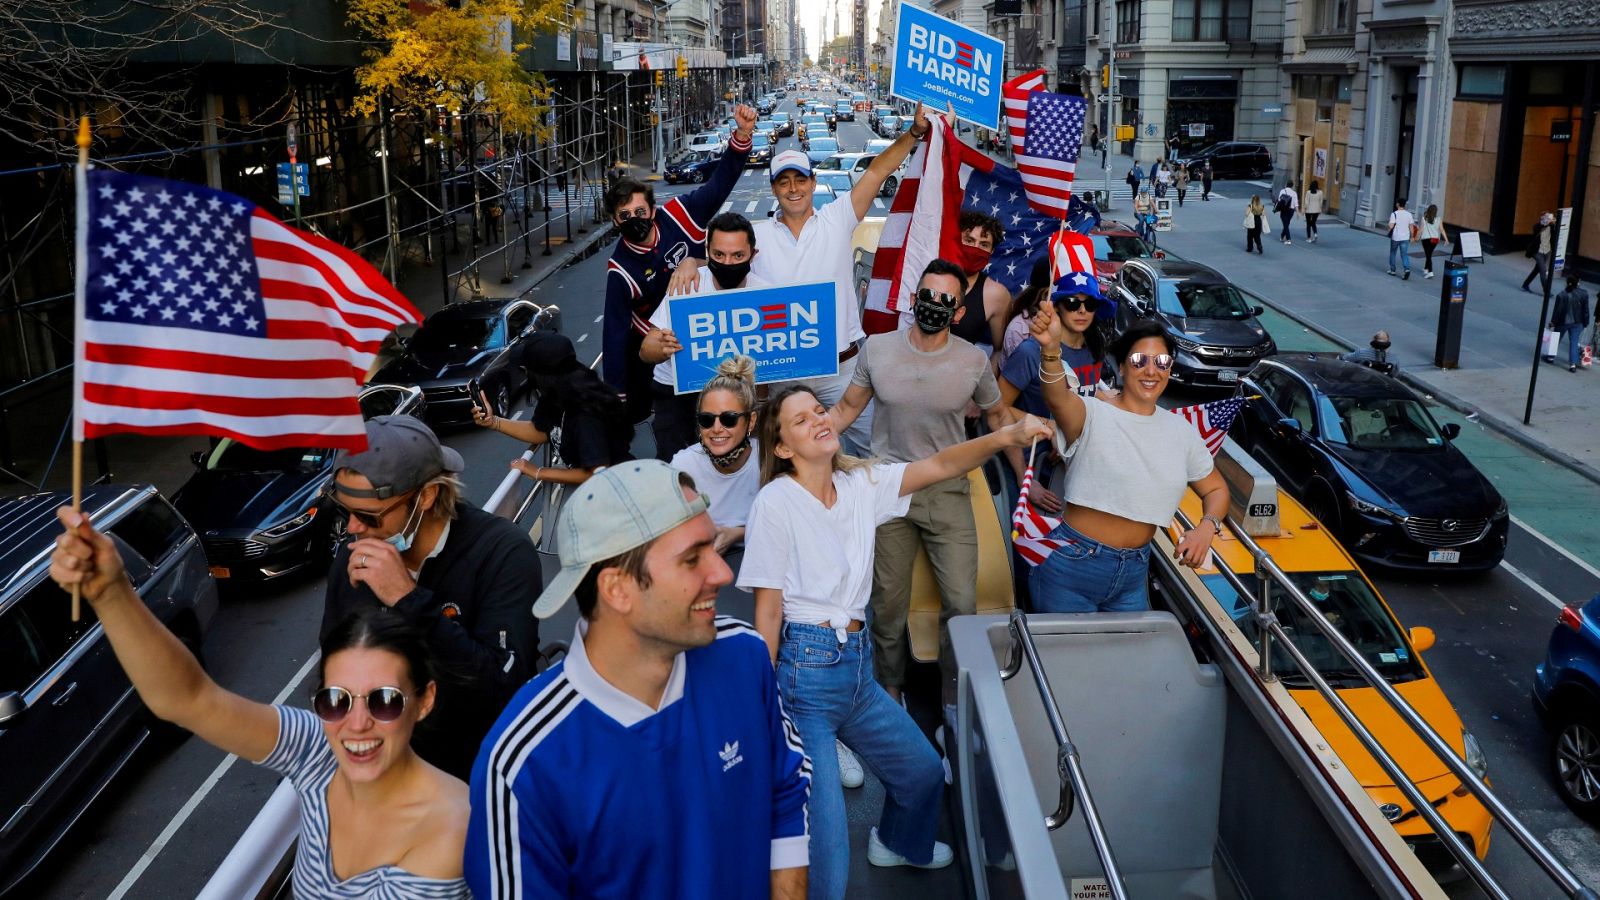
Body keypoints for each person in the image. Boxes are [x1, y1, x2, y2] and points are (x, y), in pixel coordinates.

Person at [51, 515, 471, 898]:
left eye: (383, 701)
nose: (355, 724)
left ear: (424, 701)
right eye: (336, 701)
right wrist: (110, 593)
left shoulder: (449, 830)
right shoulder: (320, 753)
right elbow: (189, 699)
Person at [740, 383, 1051, 899]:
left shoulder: (863, 483)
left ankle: (897, 841)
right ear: (782, 449)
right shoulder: (775, 503)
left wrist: (1007, 436)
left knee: (924, 773)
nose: (819, 419)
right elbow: (768, 611)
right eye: (801, 420)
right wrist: (762, 704)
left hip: (858, 672)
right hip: (804, 675)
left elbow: (943, 464)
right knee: (828, 849)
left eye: (820, 410)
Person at [466, 461, 812, 899]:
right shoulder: (523, 765)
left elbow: (785, 788)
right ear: (617, 590)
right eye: (692, 559)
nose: (723, 574)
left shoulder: (744, 655)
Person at [829, 259, 1015, 706]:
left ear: (957, 311)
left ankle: (956, 696)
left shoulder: (972, 361)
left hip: (949, 489)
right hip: (888, 488)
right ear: (913, 300)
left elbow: (998, 416)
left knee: (961, 603)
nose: (933, 305)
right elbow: (845, 411)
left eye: (945, 300)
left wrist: (1025, 470)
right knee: (888, 605)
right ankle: (890, 690)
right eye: (926, 296)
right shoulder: (877, 349)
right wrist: (798, 445)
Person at [322, 416, 541, 780]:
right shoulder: (354, 557)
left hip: (476, 774)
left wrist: (408, 599)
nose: (352, 530)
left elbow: (503, 687)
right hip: (384, 771)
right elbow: (334, 667)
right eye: (345, 513)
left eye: (367, 517)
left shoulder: (501, 552)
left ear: (426, 496)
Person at [751, 103, 931, 456]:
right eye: (783, 182)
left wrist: (913, 133)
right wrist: (689, 265)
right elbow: (719, 262)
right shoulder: (755, 237)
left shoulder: (837, 218)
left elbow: (877, 172)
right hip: (786, 373)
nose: (793, 189)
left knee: (870, 453)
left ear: (812, 182)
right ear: (773, 189)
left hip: (842, 368)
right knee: (782, 457)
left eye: (800, 180)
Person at [1026, 314, 1231, 611]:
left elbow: (1217, 490)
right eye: (1139, 360)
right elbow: (1057, 397)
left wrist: (1206, 528)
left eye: (1162, 362)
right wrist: (1050, 349)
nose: (1151, 370)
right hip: (1072, 566)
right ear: (1121, 367)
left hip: (1134, 572)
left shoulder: (1182, 433)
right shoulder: (1092, 412)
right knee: (1066, 657)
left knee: (1129, 657)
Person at [603, 104, 756, 423]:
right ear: (615, 222)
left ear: (653, 210)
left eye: (640, 212)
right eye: (625, 216)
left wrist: (742, 134)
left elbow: (721, 182)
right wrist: (615, 393)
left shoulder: (681, 213)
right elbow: (615, 335)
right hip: (666, 345)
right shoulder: (620, 270)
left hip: (714, 323)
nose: (635, 220)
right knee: (677, 421)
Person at [641, 212, 767, 460]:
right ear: (708, 252)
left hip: (736, 395)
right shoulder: (688, 284)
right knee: (675, 467)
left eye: (738, 255)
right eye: (719, 255)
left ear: (753, 254)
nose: (728, 262)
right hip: (678, 394)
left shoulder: (766, 294)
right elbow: (646, 350)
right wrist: (661, 346)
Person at [999, 272, 1111, 516]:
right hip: (1028, 462)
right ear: (1057, 307)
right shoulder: (1030, 352)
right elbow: (998, 409)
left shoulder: (1094, 349)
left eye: (1089, 304)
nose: (1082, 311)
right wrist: (1049, 428)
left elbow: (1087, 399)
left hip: (1074, 464)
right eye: (1072, 303)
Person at [475, 331, 633, 486]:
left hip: (617, 488)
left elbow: (597, 472)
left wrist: (538, 472)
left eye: (525, 369)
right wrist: (494, 422)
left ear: (541, 375)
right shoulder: (556, 396)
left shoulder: (584, 415)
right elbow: (541, 432)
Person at [670, 354, 762, 554]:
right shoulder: (683, 466)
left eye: (729, 419)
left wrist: (735, 534)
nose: (717, 428)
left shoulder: (769, 459)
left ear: (751, 421)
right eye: (707, 419)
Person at [950, 210, 1013, 354]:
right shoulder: (930, 278)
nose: (975, 249)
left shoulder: (996, 294)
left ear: (991, 251)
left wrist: (985, 376)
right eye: (969, 240)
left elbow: (1000, 351)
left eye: (984, 244)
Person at [1550, 276, 1592, 373]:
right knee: (1574, 342)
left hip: (1563, 322)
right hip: (1577, 323)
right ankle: (1572, 364)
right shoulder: (1583, 294)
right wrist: (1586, 323)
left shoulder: (1561, 295)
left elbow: (1557, 311)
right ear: (1578, 283)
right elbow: (1585, 310)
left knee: (1556, 338)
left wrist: (1553, 322)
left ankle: (1550, 357)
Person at [1523, 211, 1555, 295]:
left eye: (1548, 218)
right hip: (1537, 252)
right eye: (1544, 217)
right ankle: (1546, 291)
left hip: (1546, 251)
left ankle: (1525, 284)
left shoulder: (1551, 227)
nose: (1546, 219)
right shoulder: (1537, 226)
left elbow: (1555, 235)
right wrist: (1544, 223)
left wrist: (1552, 223)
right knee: (1543, 270)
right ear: (1541, 218)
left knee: (1537, 269)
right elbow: (1536, 229)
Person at [1387, 199, 1415, 280]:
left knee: (1393, 252)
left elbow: (1391, 226)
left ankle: (1392, 270)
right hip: (1405, 237)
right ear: (1404, 205)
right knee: (1404, 254)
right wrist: (1412, 236)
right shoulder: (1409, 214)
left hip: (1395, 237)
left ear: (1398, 204)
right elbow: (1411, 226)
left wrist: (1388, 224)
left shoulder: (1394, 214)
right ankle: (1407, 269)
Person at [1419, 204, 1449, 278]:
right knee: (1429, 254)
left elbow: (1421, 229)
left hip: (1426, 239)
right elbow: (1442, 229)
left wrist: (1417, 237)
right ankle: (1426, 268)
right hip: (1435, 240)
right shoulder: (1438, 219)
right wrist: (1446, 239)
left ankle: (1430, 271)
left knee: (1428, 255)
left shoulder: (1424, 218)